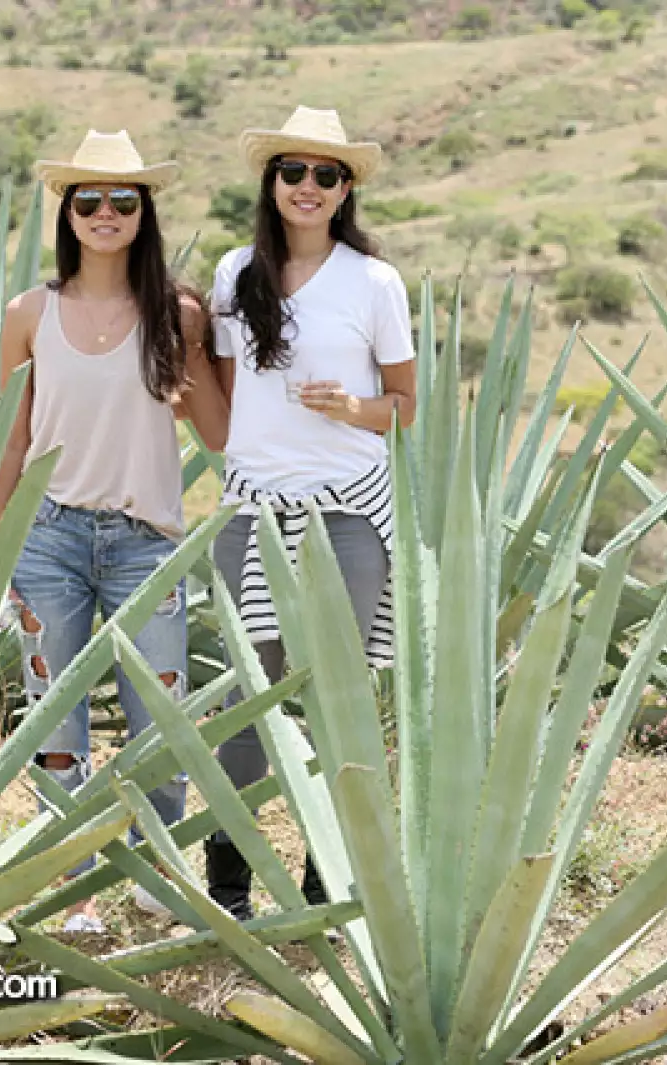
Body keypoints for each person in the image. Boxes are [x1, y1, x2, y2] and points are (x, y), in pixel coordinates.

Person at [0, 129, 230, 934]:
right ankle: (72, 890)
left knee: (162, 717)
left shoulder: (178, 312)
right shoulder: (30, 313)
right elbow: (12, 435)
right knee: (54, 721)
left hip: (147, 541)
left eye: (122, 200)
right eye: (87, 199)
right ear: (68, 212)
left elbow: (218, 433)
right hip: (47, 537)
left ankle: (157, 874)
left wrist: (224, 346)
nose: (104, 213)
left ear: (144, 212)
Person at [206, 106, 417, 918]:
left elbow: (404, 407)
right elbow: (227, 398)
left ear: (345, 189)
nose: (307, 186)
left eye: (325, 175)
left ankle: (328, 874)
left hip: (349, 512)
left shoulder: (374, 283)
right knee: (245, 692)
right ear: (271, 181)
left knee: (341, 692)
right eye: (293, 171)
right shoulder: (235, 275)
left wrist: (350, 408)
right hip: (253, 506)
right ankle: (229, 879)